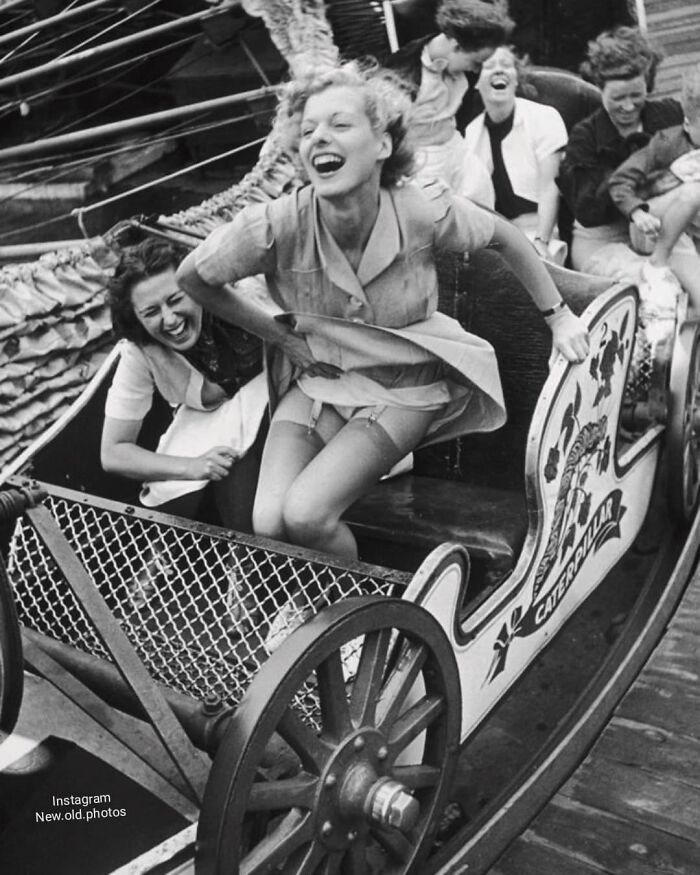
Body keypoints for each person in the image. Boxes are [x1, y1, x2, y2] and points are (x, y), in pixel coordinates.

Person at [176, 61, 589, 566]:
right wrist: (278, 338)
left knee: (307, 516)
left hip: (405, 386)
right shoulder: (273, 225)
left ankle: (366, 621)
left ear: (383, 146)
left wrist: (559, 316)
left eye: (340, 125)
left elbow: (505, 237)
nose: (319, 138)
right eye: (308, 130)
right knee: (268, 522)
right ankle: (324, 610)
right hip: (319, 379)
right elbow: (192, 278)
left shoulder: (421, 210)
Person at [101, 236, 269, 534]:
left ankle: (245, 560)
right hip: (212, 425)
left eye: (176, 299)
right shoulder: (140, 349)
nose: (169, 319)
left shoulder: (248, 294)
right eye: (151, 312)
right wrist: (190, 465)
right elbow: (113, 452)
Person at [557, 25, 684, 280]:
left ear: (648, 84)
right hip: (603, 241)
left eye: (636, 95)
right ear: (600, 88)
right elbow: (589, 210)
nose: (628, 106)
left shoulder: (669, 115)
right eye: (618, 97)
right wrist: (649, 184)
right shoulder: (585, 136)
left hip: (663, 229)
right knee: (653, 280)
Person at [385, 0, 514, 204]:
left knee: (481, 200)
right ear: (455, 45)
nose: (476, 71)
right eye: (476, 62)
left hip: (456, 147)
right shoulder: (402, 70)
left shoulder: (465, 72)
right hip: (420, 158)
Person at [464, 45, 569, 263]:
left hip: (544, 233)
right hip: (497, 240)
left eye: (506, 65)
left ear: (516, 78)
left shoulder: (543, 117)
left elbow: (551, 187)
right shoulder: (471, 132)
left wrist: (542, 242)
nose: (498, 70)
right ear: (476, 81)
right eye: (488, 66)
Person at [607, 64, 700, 307]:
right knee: (693, 191)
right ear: (688, 124)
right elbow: (619, 180)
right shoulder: (667, 143)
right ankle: (656, 263)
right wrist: (637, 212)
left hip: (691, 231)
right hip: (652, 226)